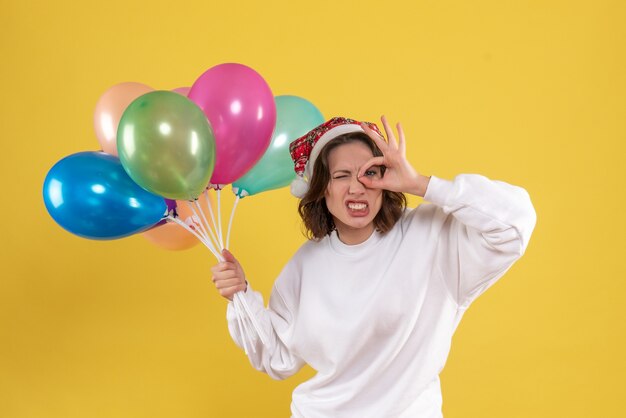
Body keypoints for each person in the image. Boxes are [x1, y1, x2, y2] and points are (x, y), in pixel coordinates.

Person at [211, 116, 537, 418]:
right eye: (340, 176)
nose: (357, 187)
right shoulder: (304, 266)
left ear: (385, 180)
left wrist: (421, 184)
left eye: (370, 173)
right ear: (321, 188)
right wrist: (240, 295)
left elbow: (514, 224)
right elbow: (278, 357)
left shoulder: (432, 236)